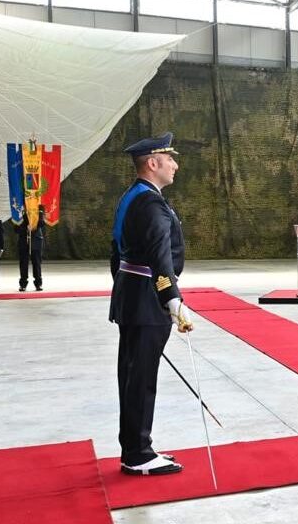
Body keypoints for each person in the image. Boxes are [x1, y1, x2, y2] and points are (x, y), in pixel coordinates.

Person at [109, 132, 191, 476]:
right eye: (169, 158)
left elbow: (116, 254)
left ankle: (136, 446)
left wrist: (125, 289)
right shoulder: (152, 203)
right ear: (152, 163)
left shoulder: (132, 196)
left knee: (131, 376)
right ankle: (138, 454)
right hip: (146, 300)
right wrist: (172, 300)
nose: (175, 164)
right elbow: (160, 258)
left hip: (132, 296)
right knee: (141, 379)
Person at [15, 205, 46, 291]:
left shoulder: (39, 205)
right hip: (23, 239)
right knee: (23, 263)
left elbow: (42, 223)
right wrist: (25, 227)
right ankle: (23, 284)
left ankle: (38, 284)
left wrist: (33, 226)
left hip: (36, 239)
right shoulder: (19, 205)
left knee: (37, 262)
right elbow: (16, 227)